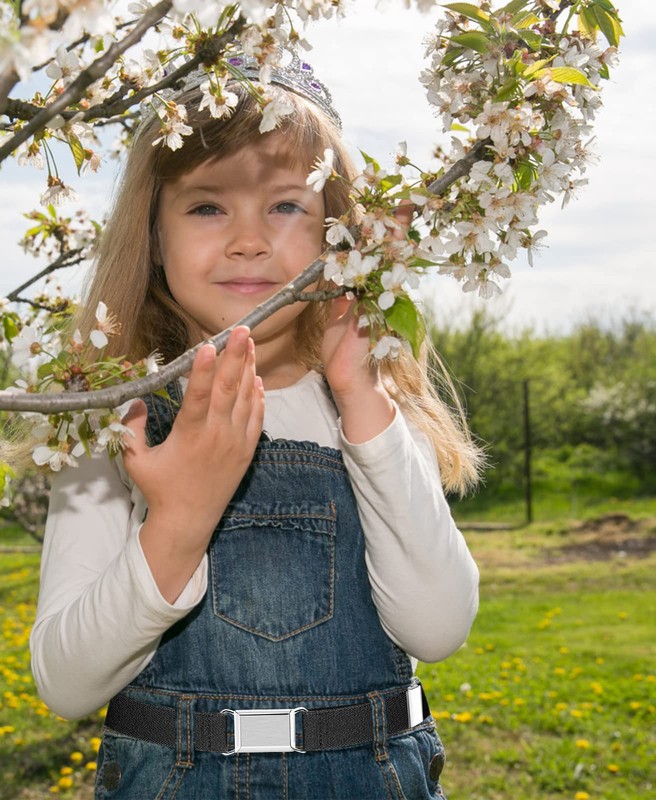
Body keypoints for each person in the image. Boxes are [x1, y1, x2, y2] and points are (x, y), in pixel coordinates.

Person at [29, 53, 481, 800]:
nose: (248, 240)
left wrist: (363, 397)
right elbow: (66, 681)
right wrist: (179, 518)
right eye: (207, 207)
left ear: (338, 235)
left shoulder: (366, 408)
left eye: (286, 206)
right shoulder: (116, 419)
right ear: (154, 237)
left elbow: (438, 628)